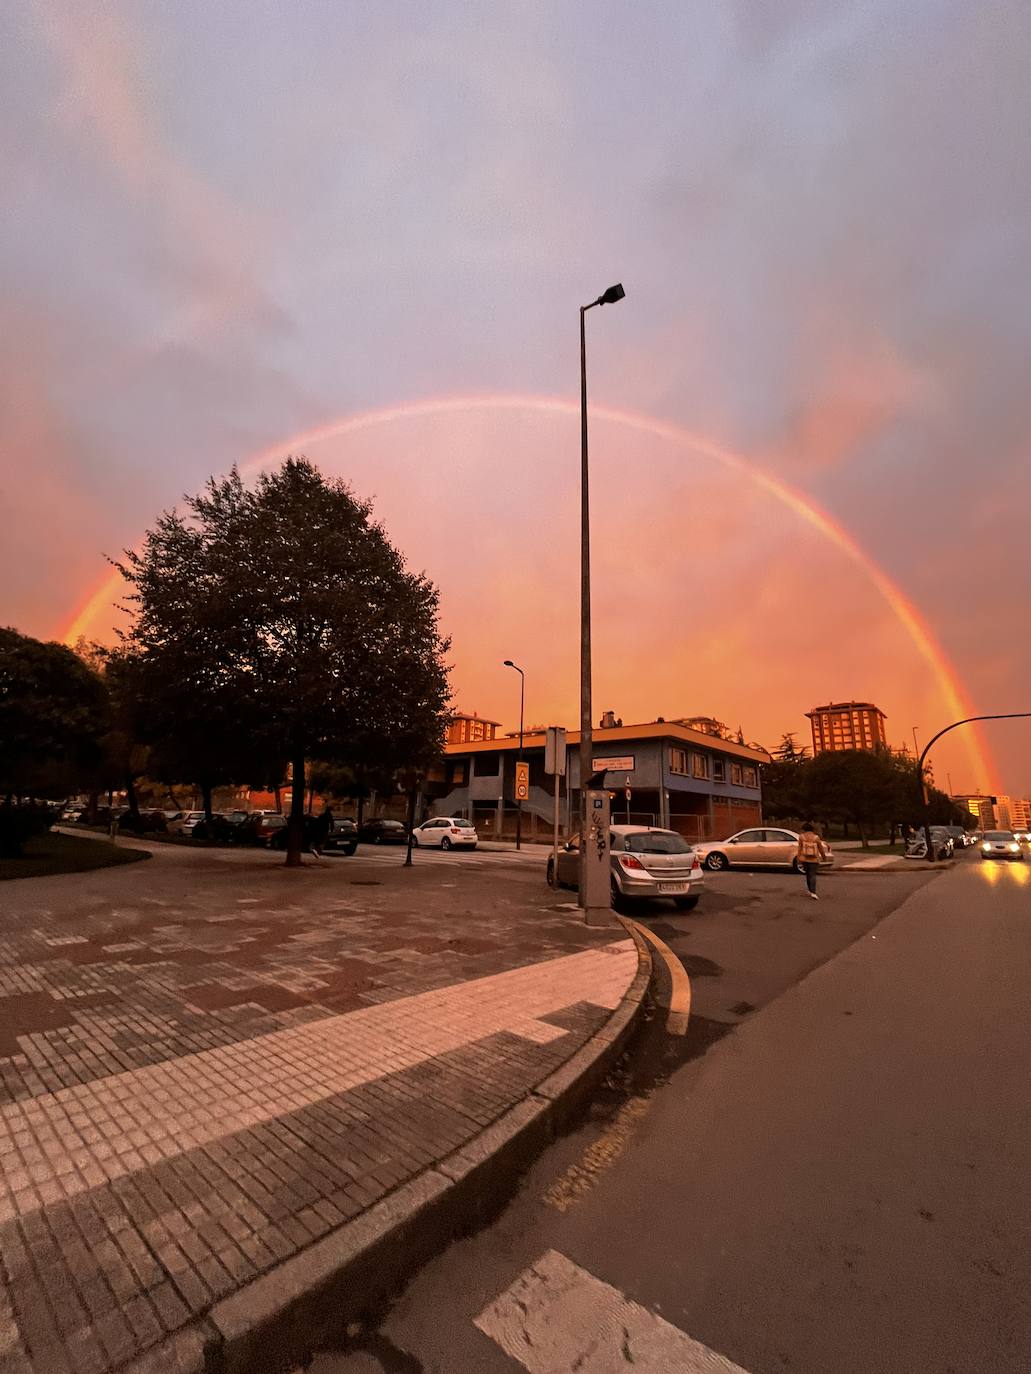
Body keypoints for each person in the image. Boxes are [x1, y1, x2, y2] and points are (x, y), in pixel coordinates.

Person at [796, 821, 828, 899]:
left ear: (804, 829)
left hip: (804, 859)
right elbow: (820, 848)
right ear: (812, 829)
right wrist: (824, 857)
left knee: (807, 874)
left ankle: (810, 890)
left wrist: (798, 857)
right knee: (813, 875)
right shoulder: (816, 837)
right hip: (814, 859)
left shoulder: (801, 837)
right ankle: (813, 892)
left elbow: (799, 848)